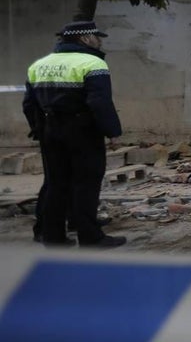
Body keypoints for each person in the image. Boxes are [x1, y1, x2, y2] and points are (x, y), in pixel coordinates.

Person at [23, 21, 127, 248]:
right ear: (85, 38)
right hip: (82, 131)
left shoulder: (40, 65)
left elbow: (29, 104)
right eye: (96, 37)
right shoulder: (92, 63)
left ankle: (53, 237)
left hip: (50, 130)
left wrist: (39, 129)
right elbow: (99, 102)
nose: (99, 41)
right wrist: (112, 132)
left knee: (56, 183)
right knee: (86, 183)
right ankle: (91, 237)